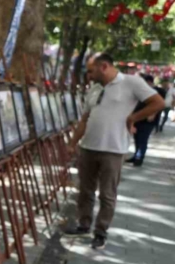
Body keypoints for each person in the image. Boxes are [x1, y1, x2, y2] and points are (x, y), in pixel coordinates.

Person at [66, 53, 164, 250]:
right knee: (85, 190)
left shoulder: (131, 82)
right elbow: (85, 118)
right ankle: (83, 224)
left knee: (107, 194)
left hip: (113, 149)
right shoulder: (95, 88)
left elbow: (158, 102)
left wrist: (133, 117)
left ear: (104, 67)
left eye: (91, 71)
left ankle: (100, 232)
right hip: (88, 147)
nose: (89, 75)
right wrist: (73, 142)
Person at [126, 75, 165, 166]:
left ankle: (139, 158)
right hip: (137, 119)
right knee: (137, 139)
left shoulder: (158, 91)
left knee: (143, 139)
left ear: (150, 82)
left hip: (148, 121)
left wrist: (153, 114)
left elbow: (160, 104)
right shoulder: (140, 91)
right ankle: (136, 155)